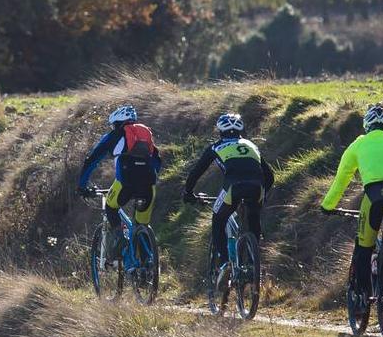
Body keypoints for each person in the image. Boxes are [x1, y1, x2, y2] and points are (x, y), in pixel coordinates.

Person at [320, 103, 383, 298]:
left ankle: (362, 294)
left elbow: (341, 179)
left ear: (366, 125)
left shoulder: (359, 144)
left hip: (375, 195)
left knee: (364, 247)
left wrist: (328, 206)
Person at [182, 113, 274, 266]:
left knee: (218, 220)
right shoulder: (251, 145)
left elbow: (196, 172)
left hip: (233, 187)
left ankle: (225, 264)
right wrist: (263, 195)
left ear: (220, 131)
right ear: (240, 131)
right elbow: (269, 176)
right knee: (253, 218)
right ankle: (253, 262)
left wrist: (188, 193)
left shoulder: (215, 147)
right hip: (257, 188)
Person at [77, 104, 161, 261]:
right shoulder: (145, 136)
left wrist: (82, 185)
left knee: (111, 206)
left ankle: (119, 236)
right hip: (149, 185)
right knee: (142, 225)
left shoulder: (113, 135)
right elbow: (157, 161)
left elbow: (92, 160)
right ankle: (147, 269)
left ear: (117, 123)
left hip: (125, 183)